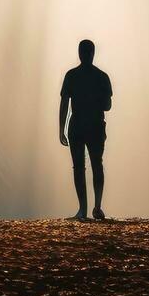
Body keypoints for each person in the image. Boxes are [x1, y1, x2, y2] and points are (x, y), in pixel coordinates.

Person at [58, 39, 113, 220]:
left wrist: (62, 129)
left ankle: (85, 209)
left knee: (80, 167)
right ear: (92, 53)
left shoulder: (71, 75)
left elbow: (65, 104)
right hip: (94, 126)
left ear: (80, 53)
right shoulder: (102, 77)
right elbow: (107, 106)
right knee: (95, 165)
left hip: (78, 126)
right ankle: (94, 207)